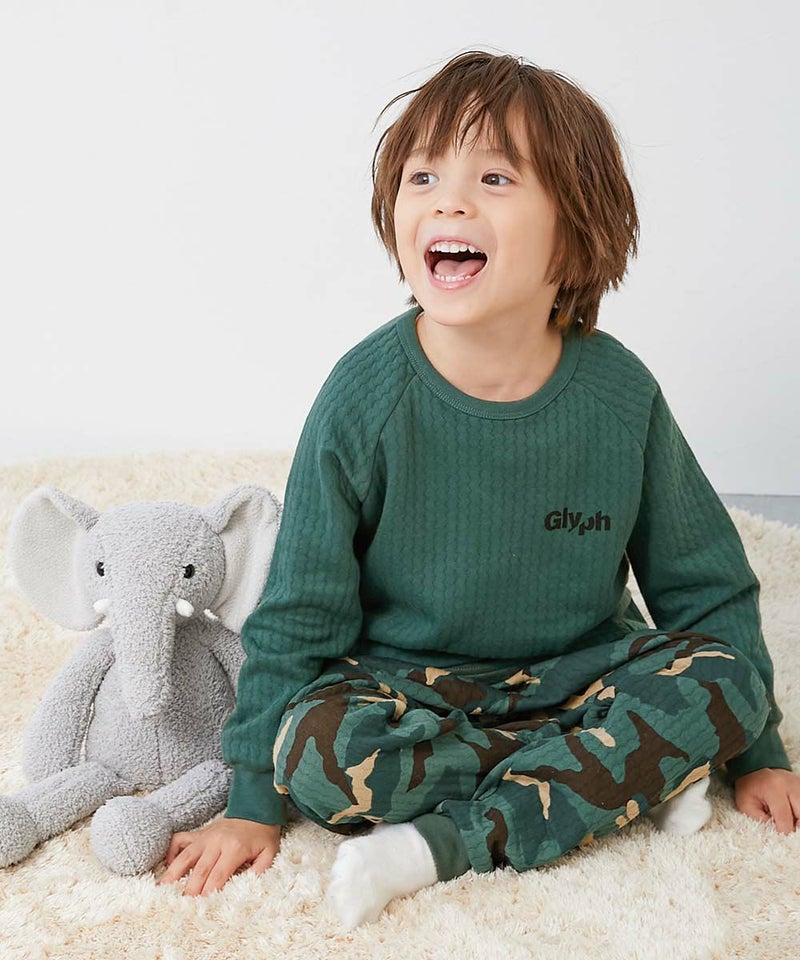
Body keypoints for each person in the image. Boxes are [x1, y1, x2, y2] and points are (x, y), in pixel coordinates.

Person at [155, 49, 799, 926]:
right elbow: (300, 612)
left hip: (580, 672)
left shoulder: (620, 395)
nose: (448, 203)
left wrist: (759, 754)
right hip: (406, 689)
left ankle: (445, 845)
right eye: (423, 177)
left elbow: (704, 582)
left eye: (494, 178)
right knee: (315, 753)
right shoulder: (363, 397)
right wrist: (250, 802)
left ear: (573, 232)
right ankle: (612, 779)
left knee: (726, 685)